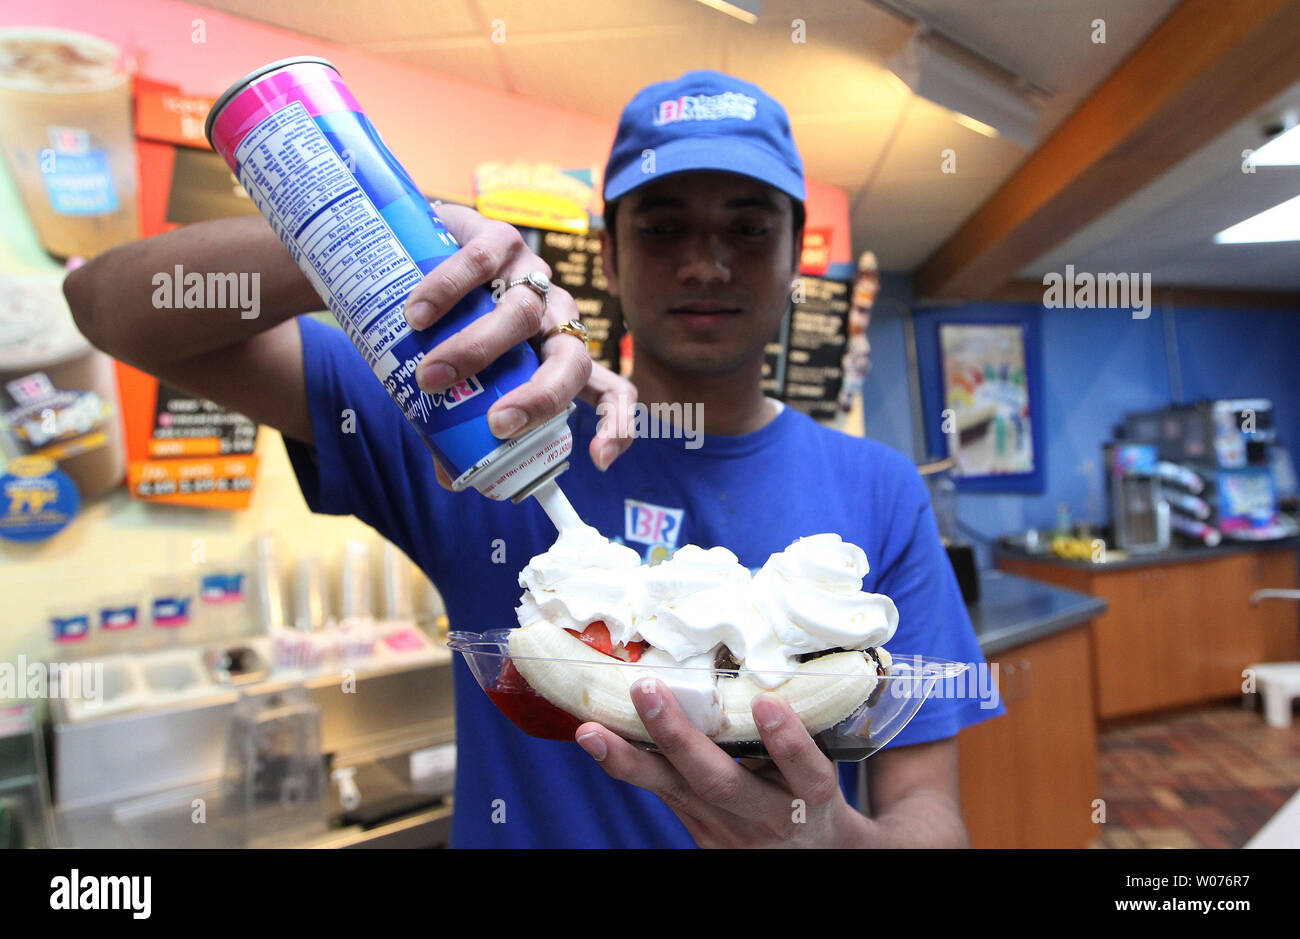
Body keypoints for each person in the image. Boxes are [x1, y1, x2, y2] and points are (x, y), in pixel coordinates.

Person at [64, 69, 1003, 848]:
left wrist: (832, 838)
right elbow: (104, 307)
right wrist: (382, 242)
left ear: (798, 255)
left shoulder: (877, 488)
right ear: (610, 249)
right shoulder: (468, 405)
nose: (706, 263)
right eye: (664, 224)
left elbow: (935, 816)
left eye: (748, 227)